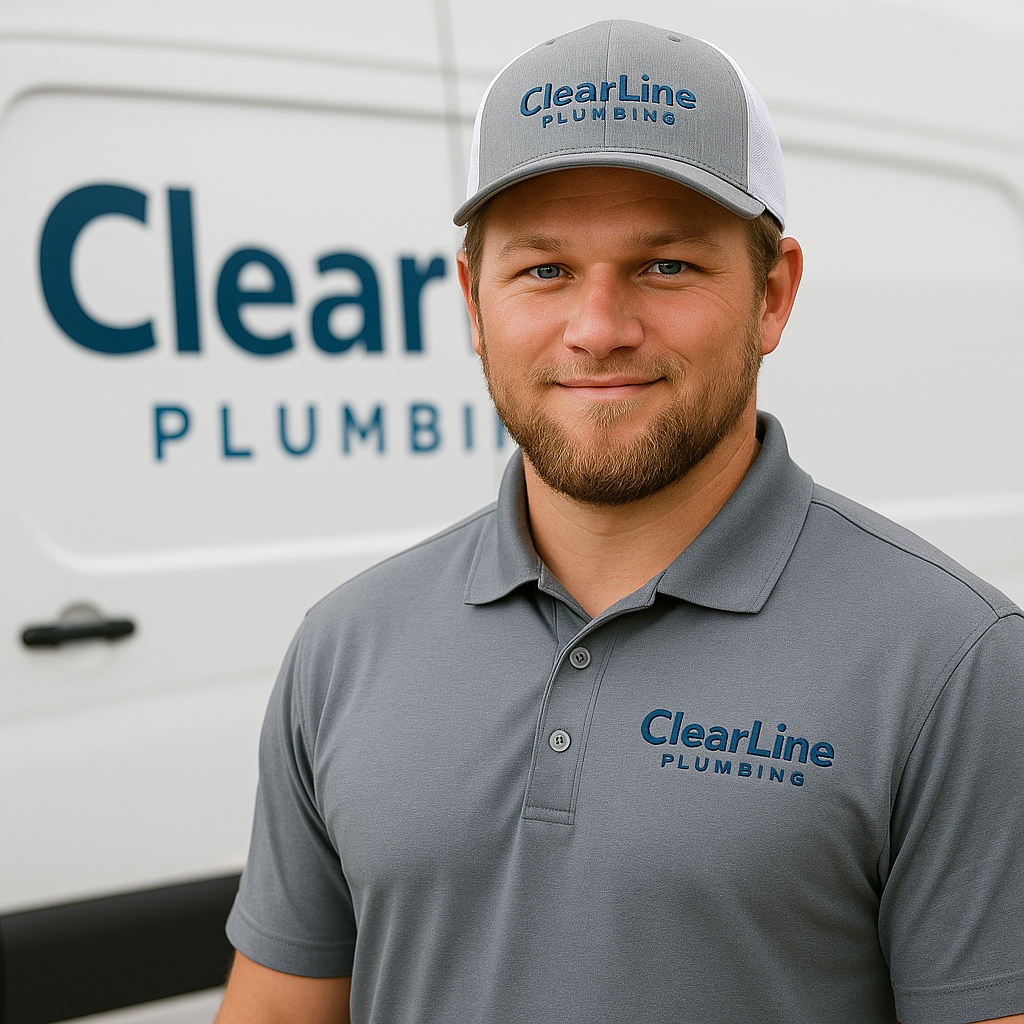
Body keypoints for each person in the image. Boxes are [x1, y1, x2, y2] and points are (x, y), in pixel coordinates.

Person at [215, 20, 1024, 1024]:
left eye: (665, 267)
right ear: (472, 301)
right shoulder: (344, 644)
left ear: (771, 296)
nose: (597, 328)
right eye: (544, 270)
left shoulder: (955, 663)